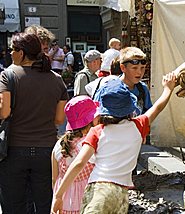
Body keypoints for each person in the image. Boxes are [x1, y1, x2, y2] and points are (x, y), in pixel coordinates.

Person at [51, 72, 177, 214]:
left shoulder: (97, 131)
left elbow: (79, 163)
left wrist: (59, 195)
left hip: (99, 190)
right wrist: (168, 88)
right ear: (130, 107)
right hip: (122, 193)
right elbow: (158, 108)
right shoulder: (139, 125)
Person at [0, 32, 68, 213]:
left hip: (14, 149)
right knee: (45, 203)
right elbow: (59, 119)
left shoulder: (8, 76)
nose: (10, 53)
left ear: (21, 53)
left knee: (14, 205)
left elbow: (4, 112)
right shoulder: (57, 79)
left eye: (12, 50)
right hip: (47, 149)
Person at [51, 95, 99, 214]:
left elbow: (54, 178)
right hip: (86, 198)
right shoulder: (88, 145)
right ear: (90, 120)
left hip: (63, 199)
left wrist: (58, 195)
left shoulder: (59, 144)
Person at [119, 47, 152, 116]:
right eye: (134, 68)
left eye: (142, 68)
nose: (139, 72)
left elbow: (148, 114)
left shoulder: (142, 89)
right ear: (123, 68)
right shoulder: (113, 89)